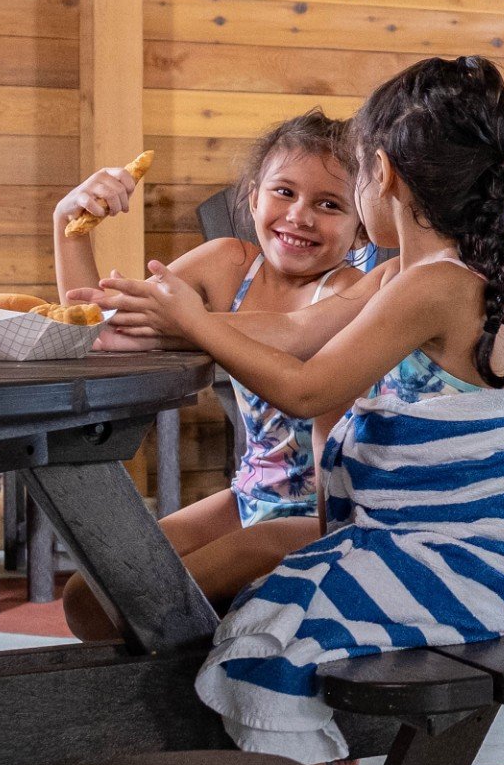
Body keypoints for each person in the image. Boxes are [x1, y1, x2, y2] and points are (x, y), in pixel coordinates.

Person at [93, 56, 504, 765]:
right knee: (255, 620)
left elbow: (305, 386)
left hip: (471, 564)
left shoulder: (436, 285)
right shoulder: (406, 277)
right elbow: (295, 331)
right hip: (412, 548)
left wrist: (194, 322)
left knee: (259, 639)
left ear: (382, 173)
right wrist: (167, 314)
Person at [53, 112, 379, 618]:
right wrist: (70, 227)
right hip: (249, 495)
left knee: (147, 606)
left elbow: (296, 348)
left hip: (334, 514)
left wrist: (188, 323)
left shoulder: (348, 294)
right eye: (284, 192)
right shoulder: (228, 263)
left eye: (329, 204)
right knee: (88, 598)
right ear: (253, 198)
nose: (300, 216)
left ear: (361, 228)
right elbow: (104, 333)